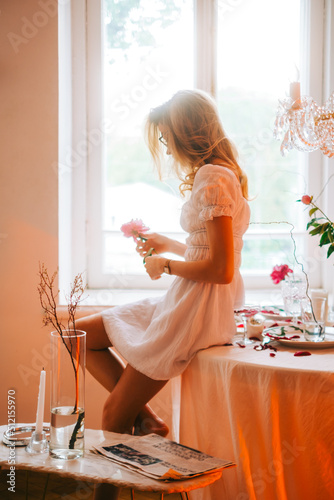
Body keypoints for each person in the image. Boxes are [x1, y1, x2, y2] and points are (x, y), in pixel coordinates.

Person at [76, 89, 250, 499]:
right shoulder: (222, 173)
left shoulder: (213, 177)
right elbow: (208, 250)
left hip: (195, 307)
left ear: (186, 131)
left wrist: (163, 265)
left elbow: (222, 270)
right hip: (187, 298)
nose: (167, 148)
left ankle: (107, 494)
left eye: (167, 137)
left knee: (112, 414)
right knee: (78, 335)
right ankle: (149, 420)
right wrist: (167, 244)